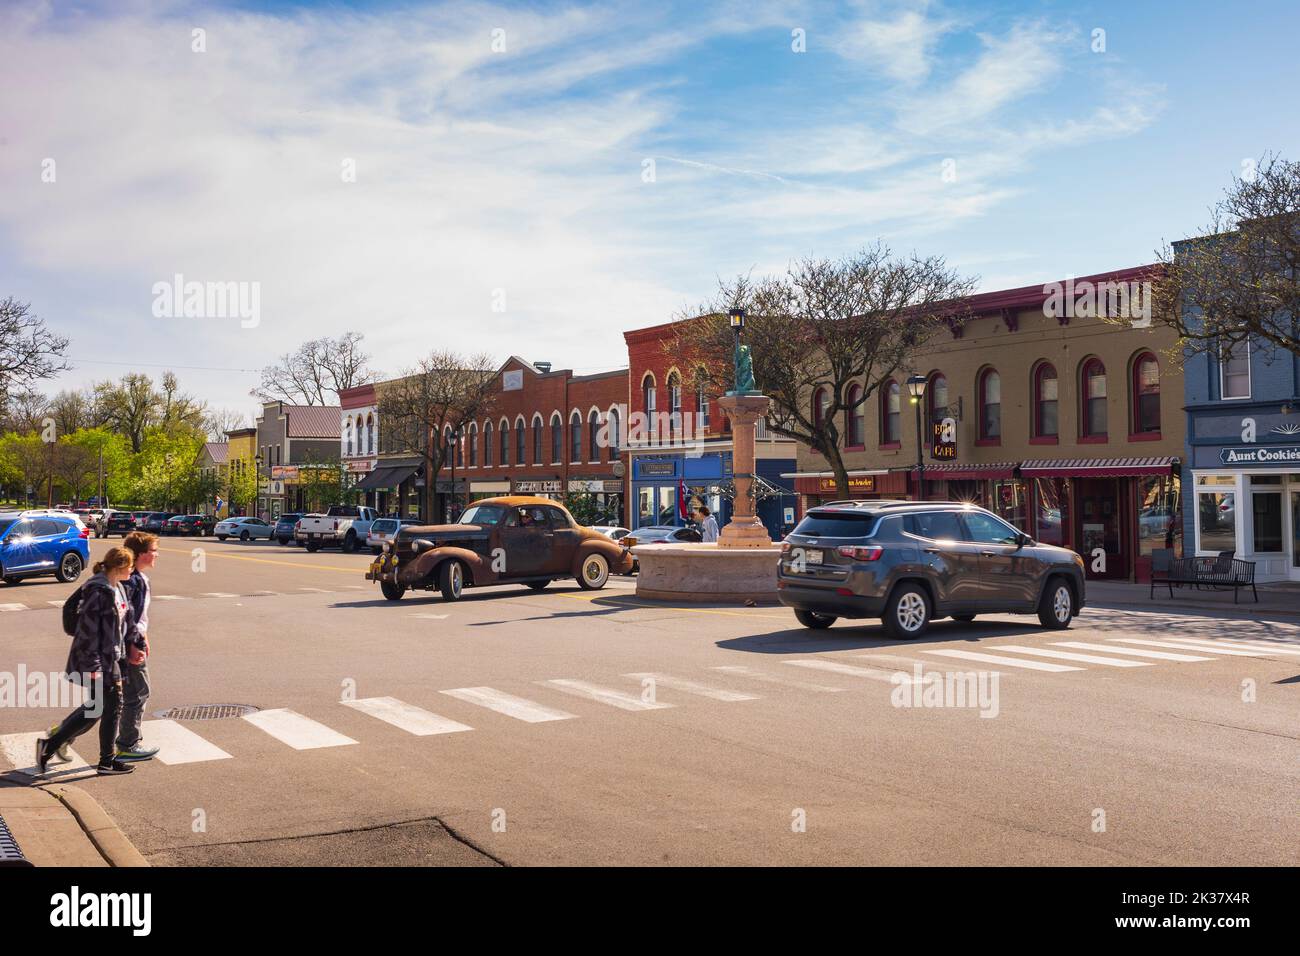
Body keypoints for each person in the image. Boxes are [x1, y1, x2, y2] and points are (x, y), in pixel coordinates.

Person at [37, 547, 137, 776]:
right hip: (98, 660)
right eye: (130, 566)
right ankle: (105, 762)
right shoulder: (99, 591)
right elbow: (88, 631)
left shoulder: (116, 586)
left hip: (112, 657)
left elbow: (124, 622)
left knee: (97, 708)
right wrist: (93, 666)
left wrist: (134, 645)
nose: (132, 570)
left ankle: (51, 745)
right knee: (111, 708)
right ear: (120, 567)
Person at [116, 531, 160, 761]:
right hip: (128, 646)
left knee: (120, 697)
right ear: (142, 554)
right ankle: (128, 745)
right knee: (138, 692)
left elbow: (139, 618)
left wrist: (145, 637)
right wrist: (135, 645)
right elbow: (128, 617)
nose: (156, 555)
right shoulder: (133, 580)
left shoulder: (137, 577)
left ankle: (57, 739)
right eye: (153, 551)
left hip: (132, 642)